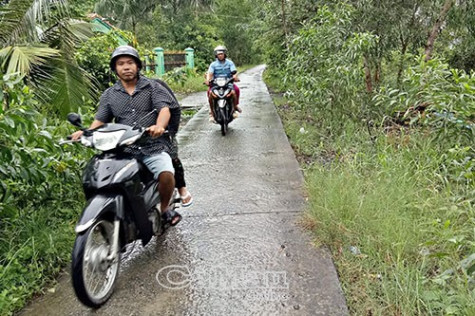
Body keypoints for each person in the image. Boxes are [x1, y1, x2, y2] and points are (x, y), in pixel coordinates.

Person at [71, 45, 186, 225]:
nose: (126, 67)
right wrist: (86, 132)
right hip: (123, 148)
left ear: (138, 66)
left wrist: (159, 126)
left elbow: (164, 109)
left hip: (152, 145)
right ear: (115, 69)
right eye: (121, 63)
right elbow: (101, 119)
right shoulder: (110, 95)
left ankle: (165, 209)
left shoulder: (152, 87)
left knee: (165, 172)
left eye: (130, 63)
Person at [205, 45, 241, 123]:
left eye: (221, 54)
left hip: (228, 82)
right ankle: (211, 112)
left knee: (236, 90)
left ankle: (235, 107)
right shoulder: (213, 64)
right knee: (210, 93)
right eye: (218, 54)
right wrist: (208, 80)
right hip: (216, 83)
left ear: (224, 54)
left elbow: (234, 72)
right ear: (216, 55)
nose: (220, 55)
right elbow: (210, 73)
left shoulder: (230, 63)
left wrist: (235, 77)